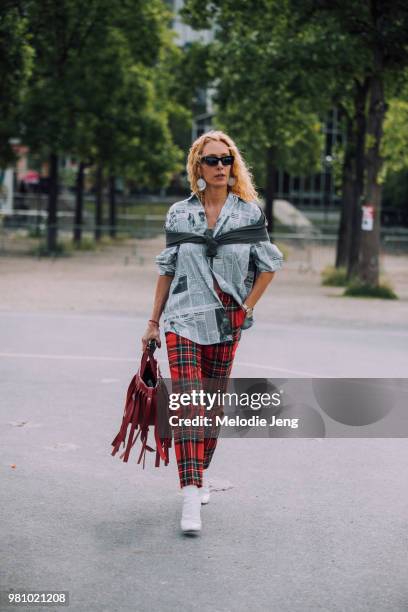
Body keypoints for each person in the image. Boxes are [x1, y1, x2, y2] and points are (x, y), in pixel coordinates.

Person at [141, 130, 283, 535]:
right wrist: (153, 322)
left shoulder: (249, 214)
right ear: (197, 167)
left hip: (225, 322)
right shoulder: (179, 214)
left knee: (211, 407)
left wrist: (247, 307)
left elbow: (269, 264)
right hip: (183, 319)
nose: (220, 166)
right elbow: (167, 268)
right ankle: (190, 493)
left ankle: (199, 469)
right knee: (188, 404)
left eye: (226, 160)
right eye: (212, 160)